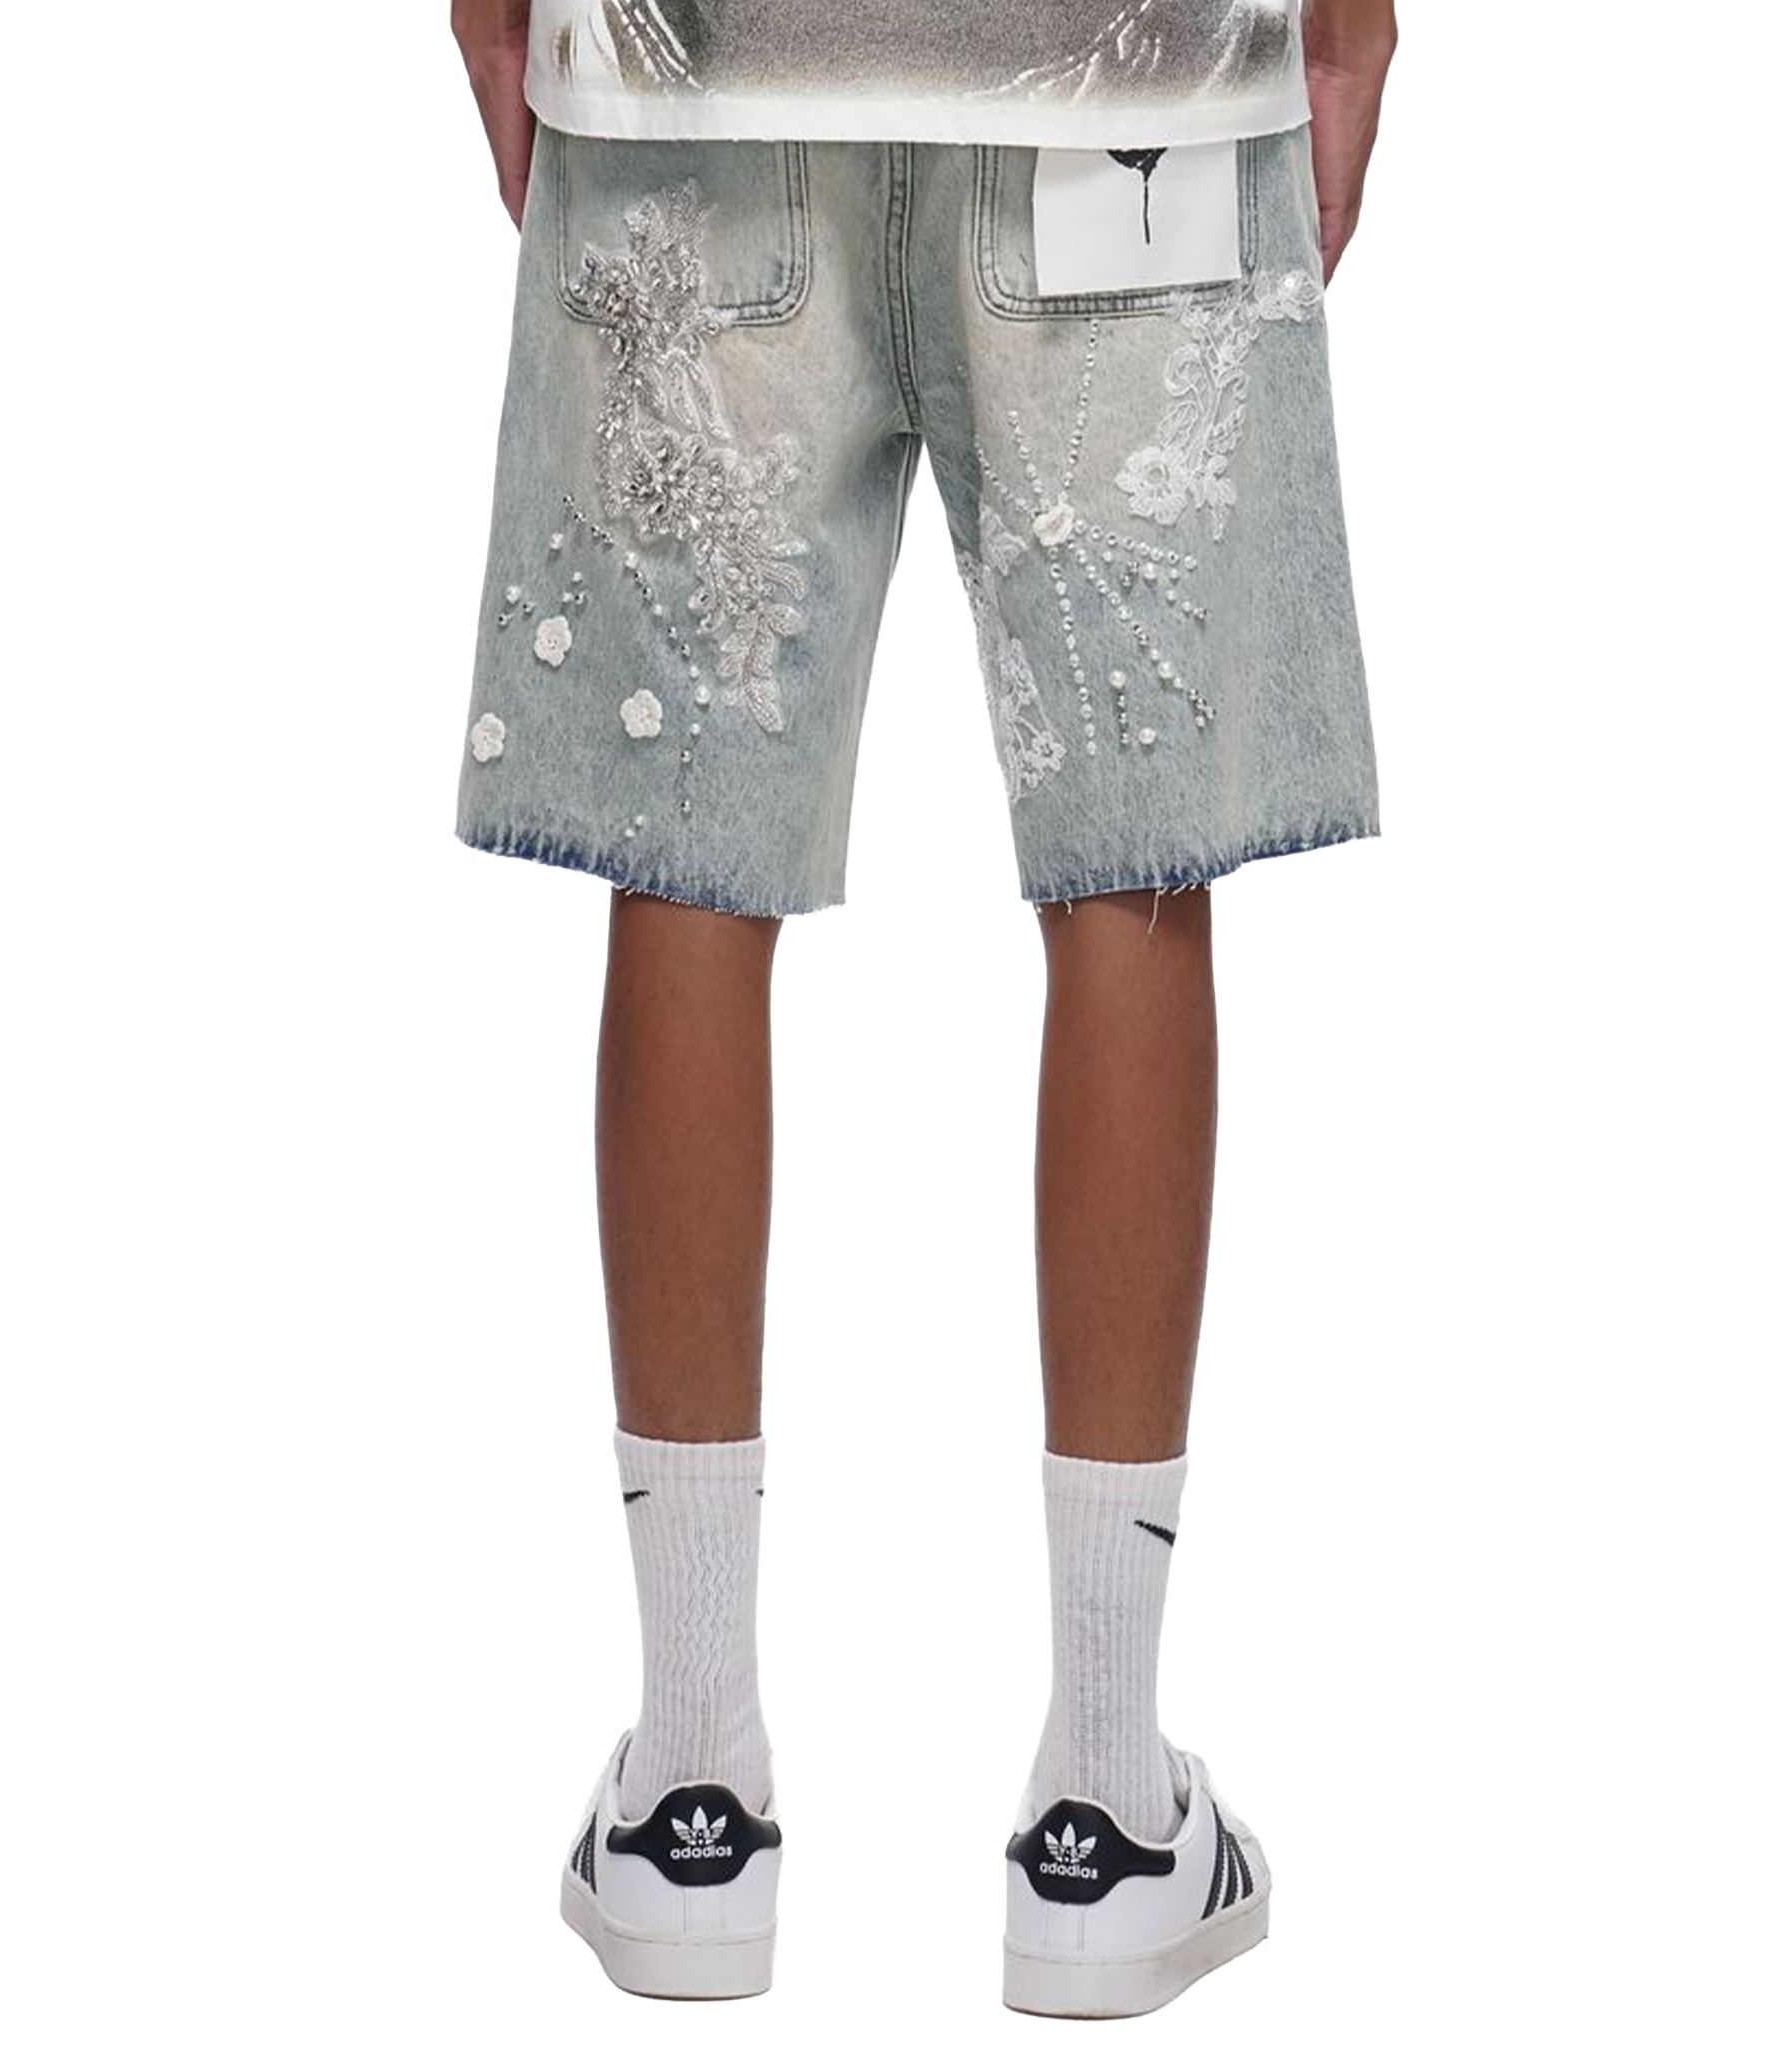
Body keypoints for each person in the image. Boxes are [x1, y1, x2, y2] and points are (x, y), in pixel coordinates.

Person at [448, 0, 1393, 2017]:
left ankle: (689, 1787)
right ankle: (1111, 1809)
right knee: (1131, 857)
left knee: (691, 853)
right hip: (1128, 79)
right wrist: (1346, 23)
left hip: (699, 68)